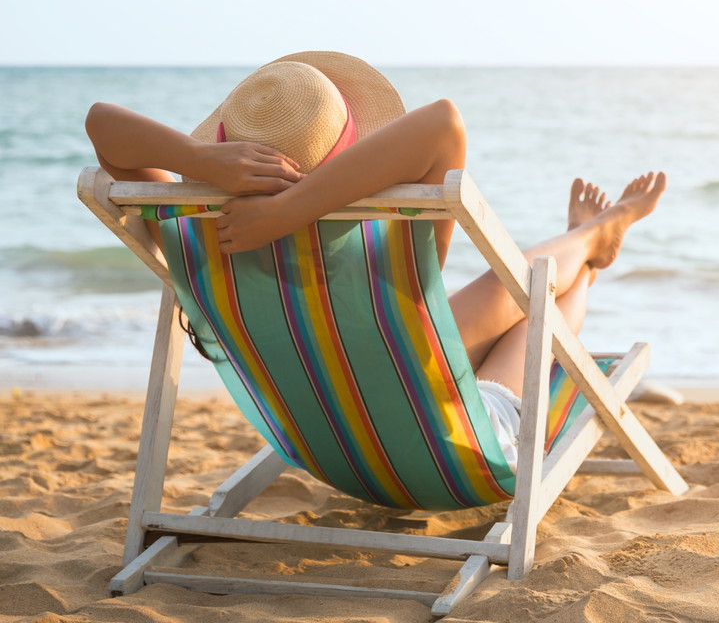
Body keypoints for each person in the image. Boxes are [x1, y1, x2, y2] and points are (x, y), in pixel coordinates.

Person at [85, 51, 666, 467]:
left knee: (510, 289)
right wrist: (294, 210)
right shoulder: (378, 254)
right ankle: (592, 244)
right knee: (540, 295)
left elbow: (102, 125)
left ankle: (591, 236)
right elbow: (444, 122)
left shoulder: (194, 238)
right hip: (450, 444)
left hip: (326, 441)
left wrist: (199, 162)